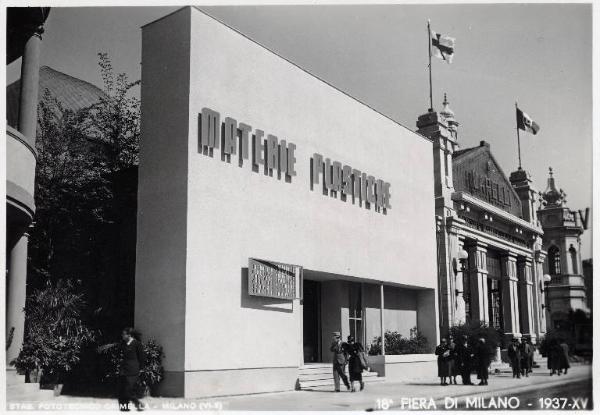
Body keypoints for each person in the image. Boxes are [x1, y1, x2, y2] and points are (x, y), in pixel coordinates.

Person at [118, 327, 146, 412]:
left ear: (129, 335)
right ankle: (125, 409)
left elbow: (142, 357)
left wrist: (141, 369)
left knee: (128, 390)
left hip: (133, 370)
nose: (122, 336)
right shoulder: (124, 344)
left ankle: (138, 404)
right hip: (124, 370)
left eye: (123, 334)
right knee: (122, 391)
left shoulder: (137, 344)